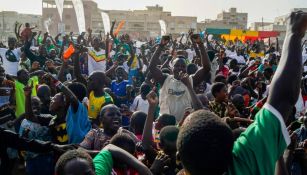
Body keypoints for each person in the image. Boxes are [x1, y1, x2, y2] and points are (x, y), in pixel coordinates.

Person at [176, 11, 307, 175]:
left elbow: (283, 99)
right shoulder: (244, 162)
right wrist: (294, 32)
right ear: (232, 148)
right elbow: (283, 98)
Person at [149, 34, 210, 122]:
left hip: (185, 124)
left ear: (186, 68)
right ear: (172, 68)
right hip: (166, 124)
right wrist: (161, 46)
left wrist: (200, 44)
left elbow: (207, 68)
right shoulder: (165, 79)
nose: (180, 68)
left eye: (183, 66)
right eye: (177, 66)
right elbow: (152, 67)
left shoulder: (191, 80)